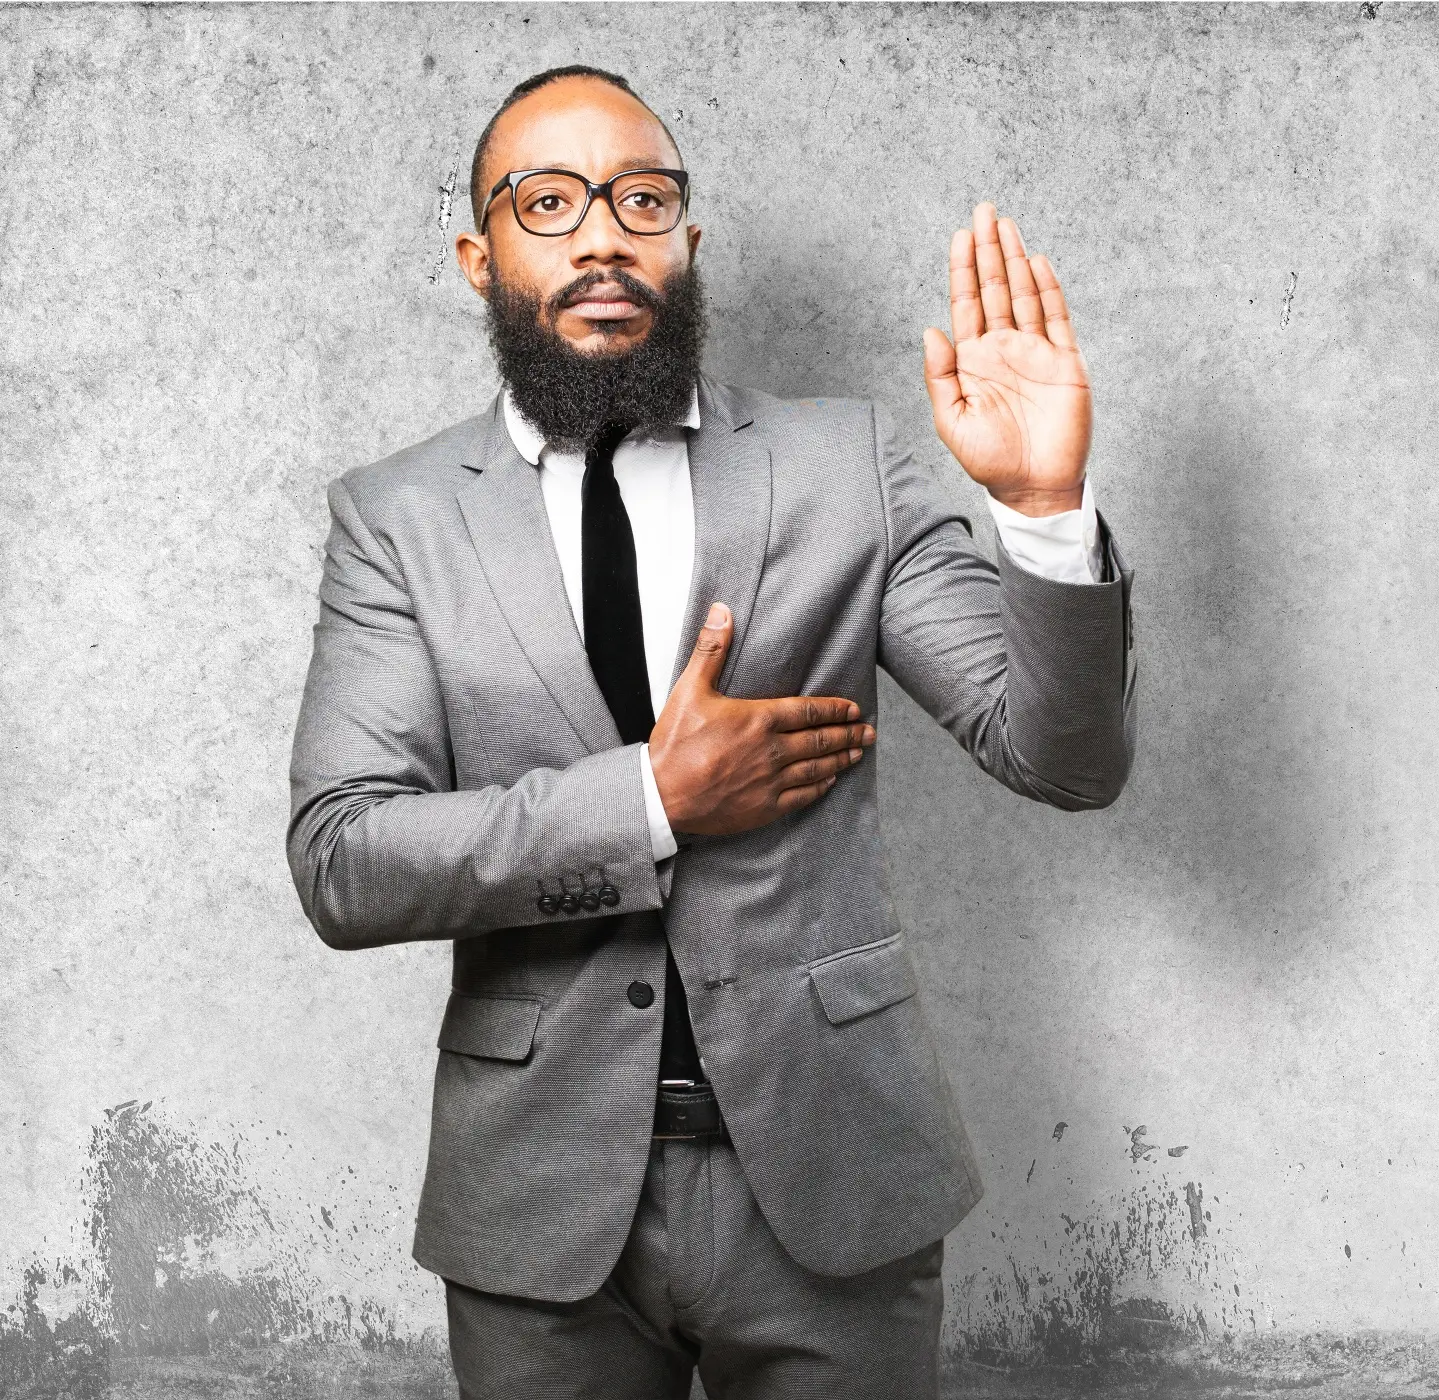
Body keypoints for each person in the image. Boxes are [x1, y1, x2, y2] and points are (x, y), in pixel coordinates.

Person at [285, 64, 1136, 1399]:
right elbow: (345, 859)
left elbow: (1064, 759)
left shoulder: (843, 465)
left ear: (687, 238)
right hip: (540, 1196)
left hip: (837, 1173)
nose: (604, 236)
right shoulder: (399, 518)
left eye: (642, 198)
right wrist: (651, 801)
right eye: (549, 202)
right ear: (478, 257)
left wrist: (1044, 509)